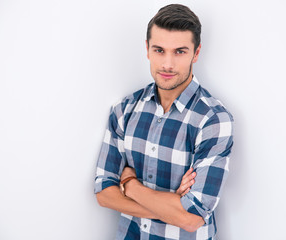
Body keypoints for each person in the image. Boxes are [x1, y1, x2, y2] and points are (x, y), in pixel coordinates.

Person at [94, 4, 234, 240]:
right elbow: (104, 192)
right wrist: (173, 208)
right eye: (159, 50)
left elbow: (192, 218)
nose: (168, 64)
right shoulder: (124, 109)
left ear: (196, 53)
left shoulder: (213, 119)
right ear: (147, 49)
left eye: (180, 51)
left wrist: (130, 185)